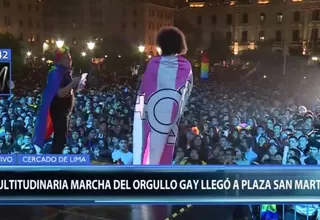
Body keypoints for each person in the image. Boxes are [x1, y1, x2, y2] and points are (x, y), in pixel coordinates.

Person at [133, 26, 193, 165]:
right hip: (171, 112)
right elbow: (187, 89)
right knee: (166, 146)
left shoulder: (153, 63)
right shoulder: (186, 65)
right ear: (180, 44)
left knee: (149, 145)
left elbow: (145, 87)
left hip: (152, 112)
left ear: (161, 45)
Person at [33, 46, 80, 153]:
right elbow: (59, 93)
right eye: (67, 58)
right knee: (60, 139)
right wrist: (73, 83)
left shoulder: (66, 73)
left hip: (64, 112)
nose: (70, 61)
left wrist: (78, 85)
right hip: (58, 111)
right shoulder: (56, 72)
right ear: (59, 60)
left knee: (62, 138)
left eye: (70, 58)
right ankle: (55, 162)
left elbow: (68, 91)